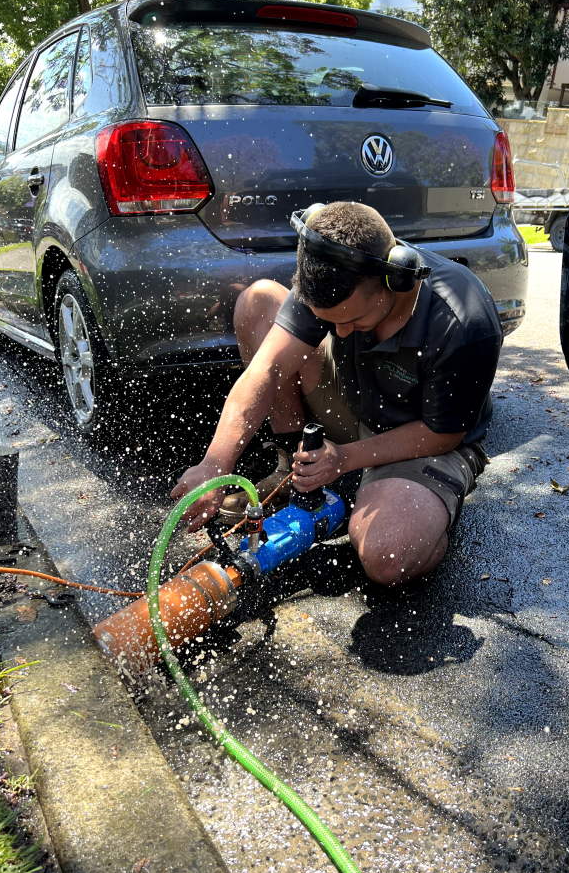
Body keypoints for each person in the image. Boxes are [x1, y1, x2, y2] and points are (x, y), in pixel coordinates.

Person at [171, 202, 502, 586]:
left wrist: (344, 458)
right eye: (329, 322)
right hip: (358, 399)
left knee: (389, 558)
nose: (341, 335)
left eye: (355, 321)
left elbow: (444, 433)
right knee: (257, 301)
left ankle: (417, 506)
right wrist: (215, 464)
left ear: (396, 280)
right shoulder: (328, 267)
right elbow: (265, 371)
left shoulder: (464, 320)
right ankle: (290, 469)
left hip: (424, 438)